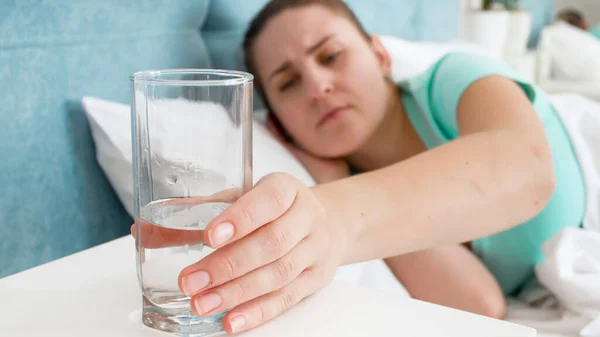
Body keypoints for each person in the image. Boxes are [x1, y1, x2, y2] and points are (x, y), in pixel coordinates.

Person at [170, 0, 585, 334]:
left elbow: (525, 167)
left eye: (330, 55)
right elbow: (481, 305)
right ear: (279, 126)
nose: (318, 86)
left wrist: (330, 213)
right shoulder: (364, 194)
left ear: (381, 54)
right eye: (288, 83)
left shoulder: (454, 81)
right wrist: (332, 179)